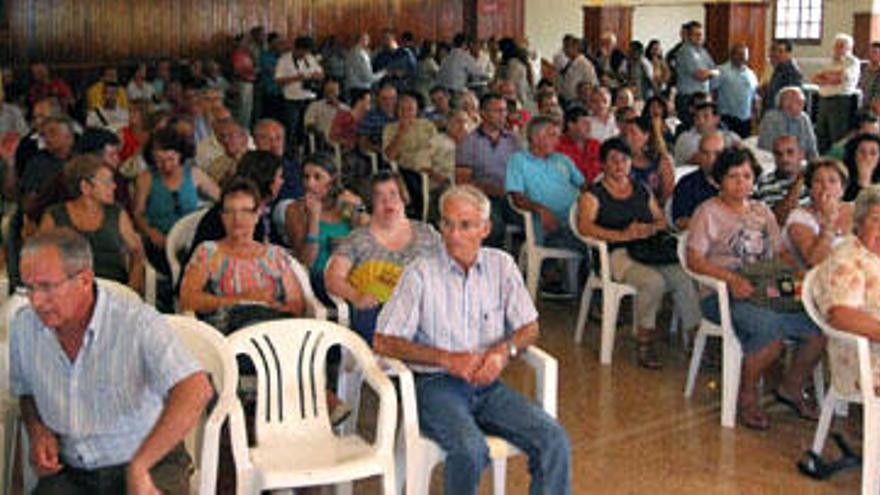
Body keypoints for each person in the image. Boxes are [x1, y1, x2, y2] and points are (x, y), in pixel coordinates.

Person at [374, 185, 572, 495]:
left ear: (485, 228)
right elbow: (384, 341)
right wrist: (446, 359)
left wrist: (503, 352)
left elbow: (530, 326)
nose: (453, 234)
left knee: (553, 439)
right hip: (435, 385)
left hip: (487, 384)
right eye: (447, 224)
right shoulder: (421, 273)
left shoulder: (501, 266)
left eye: (465, 225)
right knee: (470, 449)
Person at [11, 228, 213, 494]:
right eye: (29, 288)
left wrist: (141, 465)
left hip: (151, 461)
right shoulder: (25, 325)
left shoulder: (136, 323)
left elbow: (196, 390)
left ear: (84, 280)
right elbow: (27, 392)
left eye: (47, 287)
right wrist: (37, 428)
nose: (36, 301)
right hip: (72, 470)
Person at [686, 147, 826, 429]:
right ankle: (747, 395)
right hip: (724, 293)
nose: (741, 183)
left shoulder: (762, 211)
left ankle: (791, 387)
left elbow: (779, 253)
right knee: (769, 332)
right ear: (718, 180)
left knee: (819, 324)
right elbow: (694, 260)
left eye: (747, 176)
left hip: (766, 284)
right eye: (733, 176)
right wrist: (730, 279)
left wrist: (799, 273)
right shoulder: (708, 212)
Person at [578, 137, 701, 368]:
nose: (619, 165)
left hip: (647, 248)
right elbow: (586, 227)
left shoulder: (641, 190)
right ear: (603, 164)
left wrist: (649, 228)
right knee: (652, 282)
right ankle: (644, 340)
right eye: (613, 160)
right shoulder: (593, 195)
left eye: (624, 160)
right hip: (616, 253)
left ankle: (695, 337)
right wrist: (623, 235)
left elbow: (661, 220)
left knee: (683, 277)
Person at [325, 171, 440, 344]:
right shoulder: (358, 238)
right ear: (371, 203)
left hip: (424, 308)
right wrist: (356, 296)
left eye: (393, 193)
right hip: (377, 310)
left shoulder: (427, 233)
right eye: (379, 196)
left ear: (403, 197)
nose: (388, 201)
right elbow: (334, 277)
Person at [179, 178, 306, 332]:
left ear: (257, 214)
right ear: (222, 216)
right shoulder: (208, 252)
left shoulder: (276, 255)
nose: (237, 219)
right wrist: (243, 299)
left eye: (245, 211)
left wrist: (269, 306)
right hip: (229, 337)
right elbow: (187, 298)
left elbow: (296, 304)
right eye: (229, 212)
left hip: (273, 331)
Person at [40, 154, 145, 292]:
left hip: (113, 290)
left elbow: (137, 253)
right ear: (85, 187)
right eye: (107, 182)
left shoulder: (117, 213)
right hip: (70, 292)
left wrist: (131, 290)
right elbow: (41, 257)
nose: (113, 187)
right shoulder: (55, 216)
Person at [813, 185, 880, 396]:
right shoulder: (848, 259)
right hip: (865, 357)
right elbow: (841, 316)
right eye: (876, 219)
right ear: (858, 223)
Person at [133, 127, 220, 275]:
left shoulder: (194, 174)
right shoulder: (146, 178)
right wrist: (151, 232)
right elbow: (138, 213)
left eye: (171, 159)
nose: (166, 166)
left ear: (181, 155)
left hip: (191, 241)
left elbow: (221, 198)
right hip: (159, 241)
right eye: (159, 161)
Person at [284, 152, 367, 299]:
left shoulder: (344, 205)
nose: (310, 184)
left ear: (332, 180)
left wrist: (359, 209)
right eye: (306, 177)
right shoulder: (295, 210)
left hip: (352, 273)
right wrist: (314, 219)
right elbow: (307, 261)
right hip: (318, 278)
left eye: (317, 177)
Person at [506, 116, 585, 251]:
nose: (557, 141)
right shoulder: (518, 160)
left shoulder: (562, 159)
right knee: (584, 241)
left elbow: (583, 185)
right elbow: (517, 198)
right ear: (535, 137)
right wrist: (541, 209)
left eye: (557, 136)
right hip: (550, 221)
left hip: (579, 216)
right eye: (552, 135)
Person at [456, 92, 522, 247]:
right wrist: (491, 189)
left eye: (504, 111)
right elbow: (462, 181)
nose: (503, 115)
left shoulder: (513, 140)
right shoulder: (469, 142)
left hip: (513, 195)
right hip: (484, 197)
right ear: (483, 114)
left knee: (538, 219)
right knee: (493, 226)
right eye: (497, 111)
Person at [784, 159, 853, 267]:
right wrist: (829, 222)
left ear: (842, 189)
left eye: (832, 181)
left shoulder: (856, 210)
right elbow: (815, 262)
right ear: (810, 189)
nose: (825, 186)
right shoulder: (798, 218)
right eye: (818, 181)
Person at [812, 33, 860, 153]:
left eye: (841, 46)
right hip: (823, 100)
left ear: (849, 48)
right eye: (836, 45)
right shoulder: (829, 61)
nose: (837, 49)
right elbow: (815, 78)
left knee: (837, 135)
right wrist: (831, 76)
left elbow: (838, 79)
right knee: (821, 133)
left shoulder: (852, 62)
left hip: (840, 102)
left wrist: (827, 77)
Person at [671, 131, 724, 230]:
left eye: (717, 153)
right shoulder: (687, 184)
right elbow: (680, 222)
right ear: (698, 154)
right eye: (705, 153)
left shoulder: (737, 180)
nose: (711, 159)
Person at [754, 135, 810, 225]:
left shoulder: (815, 177)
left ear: (801, 154)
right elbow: (778, 220)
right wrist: (799, 182)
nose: (784, 158)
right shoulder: (764, 184)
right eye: (778, 154)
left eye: (790, 152)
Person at [621, 115, 675, 206]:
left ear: (646, 135)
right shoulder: (621, 160)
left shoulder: (662, 161)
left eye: (633, 133)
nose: (628, 138)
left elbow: (668, 196)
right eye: (625, 134)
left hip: (655, 212)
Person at [673, 21, 718, 128]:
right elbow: (700, 75)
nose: (700, 37)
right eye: (696, 34)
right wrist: (711, 72)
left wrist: (710, 72)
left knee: (702, 129)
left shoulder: (703, 51)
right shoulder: (685, 51)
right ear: (688, 36)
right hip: (688, 99)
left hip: (702, 98)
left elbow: (716, 69)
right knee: (690, 130)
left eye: (701, 34)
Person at [757, 86, 818, 159]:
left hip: (800, 161)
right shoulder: (772, 118)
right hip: (776, 160)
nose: (802, 105)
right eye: (798, 102)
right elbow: (768, 147)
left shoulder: (804, 118)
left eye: (802, 102)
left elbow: (812, 146)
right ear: (784, 103)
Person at [714, 43, 758, 139]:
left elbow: (754, 98)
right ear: (732, 55)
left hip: (745, 119)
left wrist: (755, 117)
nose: (743, 57)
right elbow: (713, 92)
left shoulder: (751, 74)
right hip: (727, 118)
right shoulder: (721, 70)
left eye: (745, 54)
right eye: (740, 54)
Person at [673, 102, 739, 165]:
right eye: (697, 117)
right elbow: (703, 160)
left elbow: (742, 153)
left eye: (706, 116)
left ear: (717, 119)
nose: (701, 121)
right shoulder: (686, 138)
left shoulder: (729, 135)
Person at [555, 105, 601, 183]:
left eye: (590, 123)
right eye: (584, 123)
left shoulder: (596, 144)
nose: (589, 127)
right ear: (571, 125)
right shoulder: (557, 147)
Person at [763, 39, 803, 115]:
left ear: (788, 54)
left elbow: (792, 103)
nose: (775, 54)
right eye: (773, 50)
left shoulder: (792, 72)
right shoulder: (778, 69)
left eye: (780, 51)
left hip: (781, 119)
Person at [842, 132, 880, 201]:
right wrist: (863, 180)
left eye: (873, 153)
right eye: (862, 152)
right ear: (854, 155)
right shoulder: (842, 179)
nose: (867, 157)